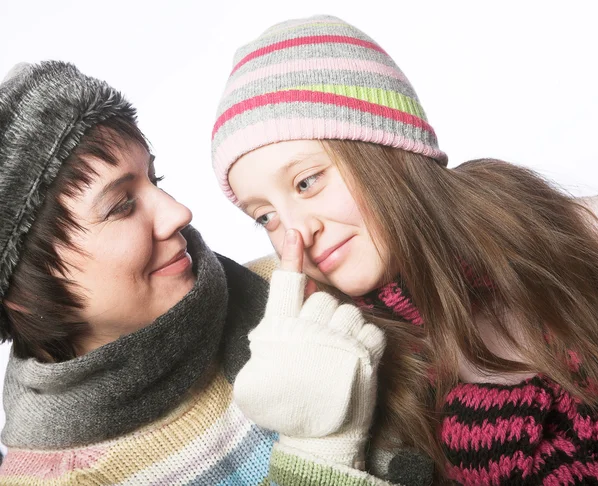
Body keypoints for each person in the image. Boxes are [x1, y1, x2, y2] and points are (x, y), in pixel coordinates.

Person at [212, 15, 598, 485]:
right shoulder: (352, 366)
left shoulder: (554, 229)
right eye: (265, 216)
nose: (297, 231)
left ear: (383, 146)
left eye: (307, 182)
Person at [0, 61, 392, 485]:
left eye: (155, 178)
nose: (178, 212)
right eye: (120, 206)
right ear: (22, 290)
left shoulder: (292, 288)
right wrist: (321, 453)